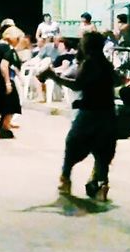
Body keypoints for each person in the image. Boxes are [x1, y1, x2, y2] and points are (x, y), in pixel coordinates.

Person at [41, 30, 118, 201]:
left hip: (90, 113)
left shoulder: (89, 63)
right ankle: (101, 185)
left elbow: (77, 85)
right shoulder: (106, 63)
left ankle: (65, 179)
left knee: (73, 143)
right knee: (102, 151)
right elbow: (117, 80)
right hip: (107, 114)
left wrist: (53, 76)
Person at [0, 26, 23, 139]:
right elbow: (4, 66)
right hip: (2, 80)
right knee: (11, 104)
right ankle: (5, 128)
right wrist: (7, 83)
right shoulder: (7, 48)